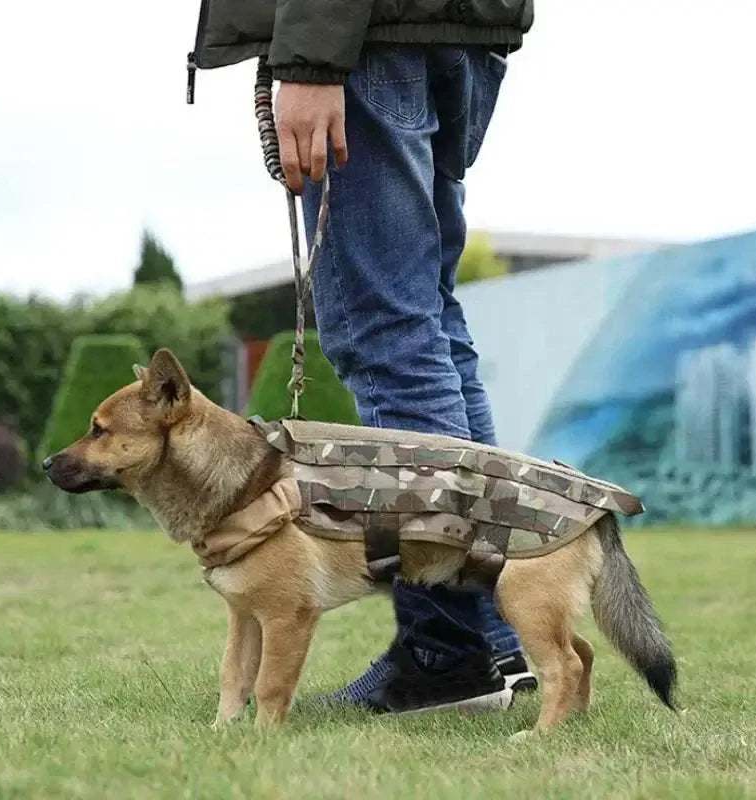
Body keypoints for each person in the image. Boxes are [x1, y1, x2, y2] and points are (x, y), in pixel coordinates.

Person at [193, 0, 537, 712]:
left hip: (369, 41)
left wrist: (313, 61)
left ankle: (449, 653)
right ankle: (494, 631)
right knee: (428, 327)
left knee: (389, 336)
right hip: (449, 30)